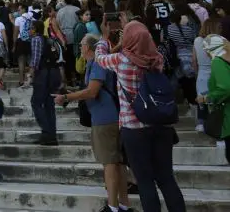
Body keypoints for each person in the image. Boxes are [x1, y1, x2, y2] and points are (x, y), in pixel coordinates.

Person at [95, 19, 186, 212]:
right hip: (161, 124)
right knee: (166, 178)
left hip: (134, 128)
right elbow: (140, 41)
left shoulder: (121, 60)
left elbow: (100, 58)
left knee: (144, 181)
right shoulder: (157, 58)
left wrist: (104, 38)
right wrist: (132, 27)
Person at [53, 34, 132, 212]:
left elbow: (93, 92)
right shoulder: (94, 64)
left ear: (88, 47)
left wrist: (67, 97)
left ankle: (113, 206)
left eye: (81, 44)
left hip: (105, 119)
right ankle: (123, 205)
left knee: (110, 163)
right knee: (117, 163)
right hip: (107, 117)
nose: (80, 48)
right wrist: (71, 92)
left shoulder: (97, 63)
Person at [29, 20, 61, 146]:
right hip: (53, 73)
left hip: (43, 74)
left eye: (31, 28)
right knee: (49, 105)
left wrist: (30, 75)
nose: (29, 30)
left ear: (35, 29)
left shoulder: (36, 40)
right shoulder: (49, 39)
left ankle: (46, 131)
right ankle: (52, 136)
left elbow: (35, 59)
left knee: (36, 102)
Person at [200, 35, 230, 162]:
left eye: (206, 50)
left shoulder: (218, 62)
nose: (206, 54)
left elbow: (225, 87)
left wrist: (207, 97)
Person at [192, 18, 222, 131]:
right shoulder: (218, 41)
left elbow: (193, 60)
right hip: (215, 72)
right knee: (216, 100)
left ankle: (201, 122)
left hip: (202, 73)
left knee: (201, 98)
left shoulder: (197, 41)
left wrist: (196, 72)